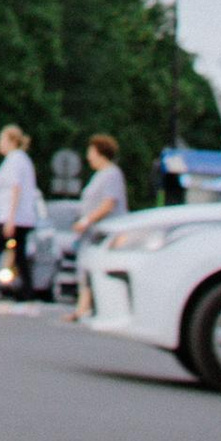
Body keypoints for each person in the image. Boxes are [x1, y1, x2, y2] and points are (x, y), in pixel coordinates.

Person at [0, 124, 41, 300]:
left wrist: (10, 218)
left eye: (2, 140)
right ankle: (27, 292)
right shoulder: (20, 159)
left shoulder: (15, 160)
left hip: (11, 217)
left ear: (11, 141)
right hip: (18, 217)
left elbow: (15, 188)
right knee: (19, 256)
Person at [70, 131, 128, 317]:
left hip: (104, 233)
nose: (88, 156)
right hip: (94, 232)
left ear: (99, 152)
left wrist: (87, 220)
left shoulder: (111, 174)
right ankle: (83, 307)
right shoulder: (102, 174)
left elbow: (108, 203)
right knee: (87, 266)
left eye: (91, 151)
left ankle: (87, 308)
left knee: (95, 266)